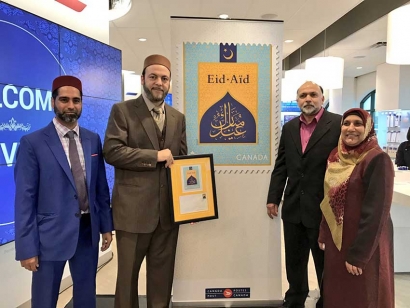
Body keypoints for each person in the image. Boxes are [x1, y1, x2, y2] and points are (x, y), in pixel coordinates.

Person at [14, 75, 114, 308]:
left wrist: (106, 226)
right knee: (44, 300)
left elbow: (100, 188)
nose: (71, 106)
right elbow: (24, 200)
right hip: (49, 237)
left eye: (76, 100)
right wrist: (27, 248)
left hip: (87, 232)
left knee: (86, 297)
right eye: (64, 100)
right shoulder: (33, 143)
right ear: (52, 102)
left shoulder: (92, 139)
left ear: (82, 103)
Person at [103, 54, 187, 308]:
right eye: (153, 77)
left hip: (167, 215)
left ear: (169, 83)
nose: (158, 82)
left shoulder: (177, 118)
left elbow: (182, 161)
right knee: (127, 280)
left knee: (162, 280)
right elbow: (112, 151)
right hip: (133, 212)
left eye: (164, 78)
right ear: (142, 79)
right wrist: (154, 156)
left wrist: (190, 202)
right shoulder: (123, 111)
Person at [266, 81, 342, 308]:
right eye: (302, 95)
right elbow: (281, 165)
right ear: (297, 100)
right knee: (294, 261)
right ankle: (295, 299)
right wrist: (273, 197)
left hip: (324, 208)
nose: (308, 99)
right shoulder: (289, 128)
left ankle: (327, 302)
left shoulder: (337, 124)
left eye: (313, 95)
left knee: (323, 263)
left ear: (322, 98)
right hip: (293, 207)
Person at [318, 108, 395, 308]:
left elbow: (377, 212)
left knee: (364, 293)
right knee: (338, 294)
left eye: (358, 124)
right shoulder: (336, 156)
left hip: (365, 243)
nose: (351, 128)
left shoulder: (377, 159)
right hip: (338, 241)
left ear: (368, 128)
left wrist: (360, 255)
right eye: (346, 123)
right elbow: (329, 199)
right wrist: (324, 232)